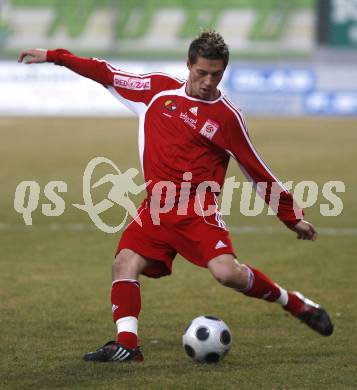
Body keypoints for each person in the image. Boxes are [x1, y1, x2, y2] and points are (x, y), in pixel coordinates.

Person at [18, 31, 333, 363]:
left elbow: (256, 168)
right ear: (188, 65)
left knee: (227, 274)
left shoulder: (227, 117)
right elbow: (105, 72)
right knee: (124, 263)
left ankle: (294, 303)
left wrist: (291, 216)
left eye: (217, 74)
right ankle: (126, 343)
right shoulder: (156, 90)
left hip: (198, 210)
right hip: (155, 207)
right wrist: (56, 56)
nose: (209, 81)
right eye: (202, 72)